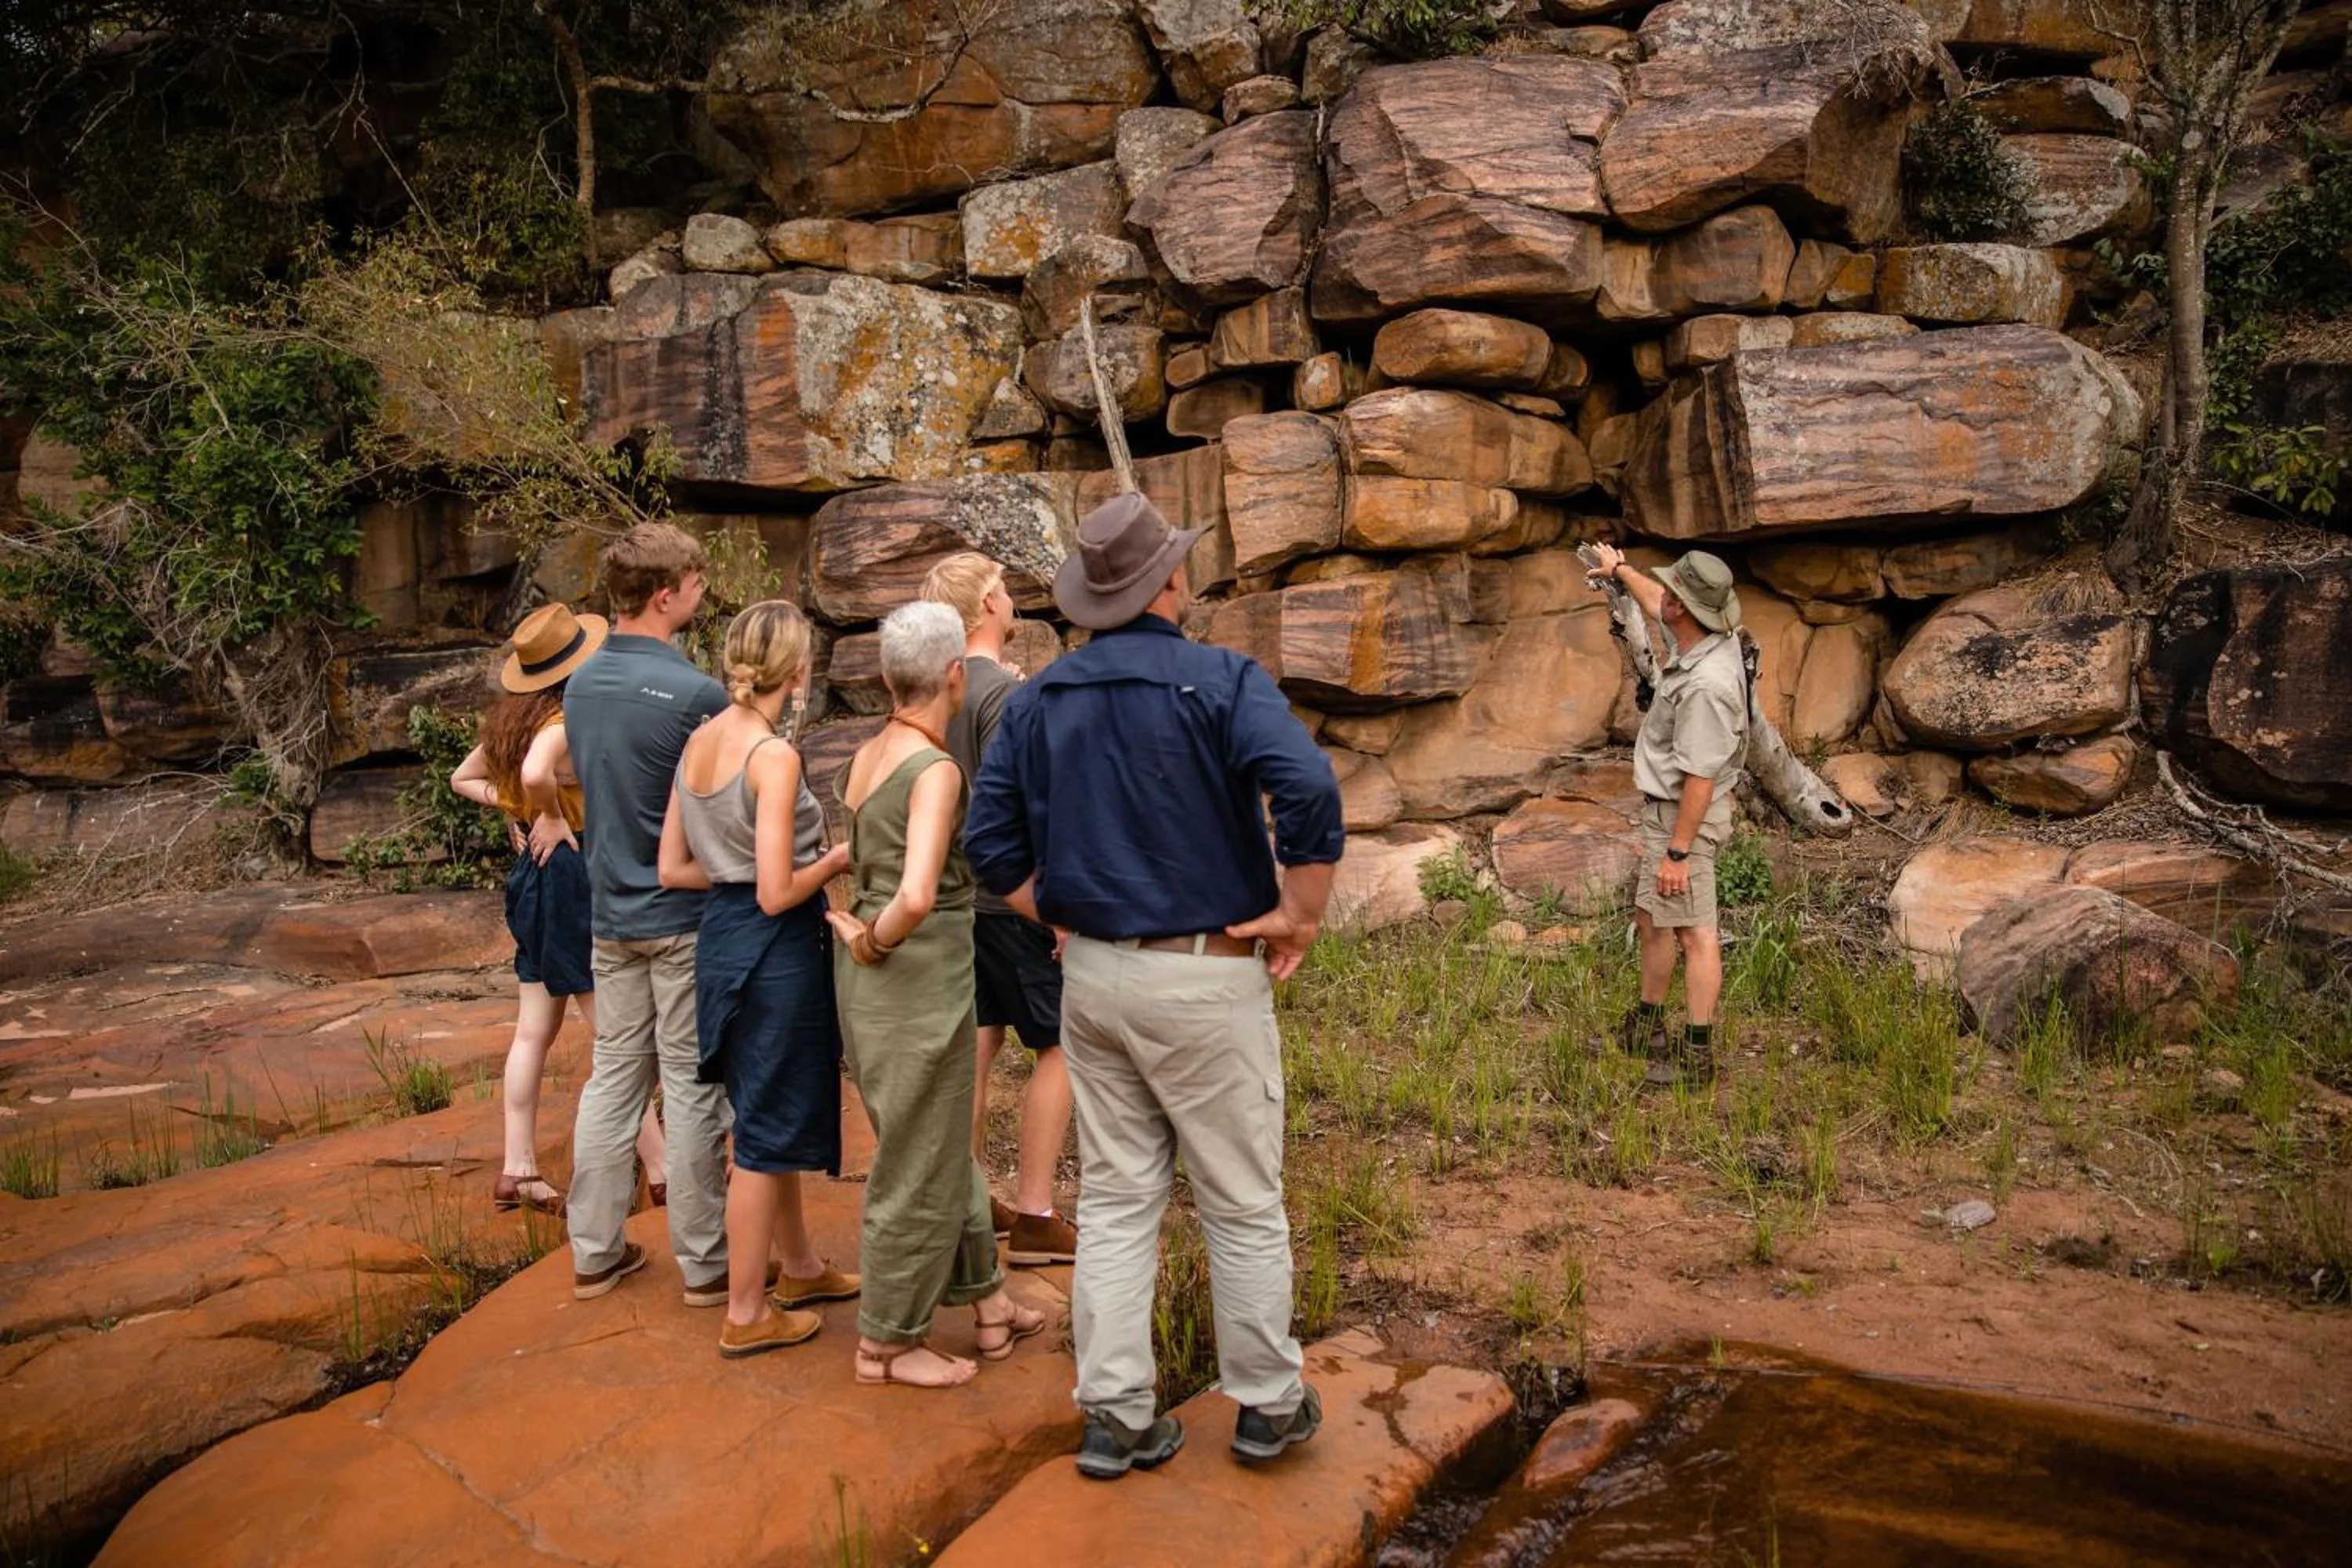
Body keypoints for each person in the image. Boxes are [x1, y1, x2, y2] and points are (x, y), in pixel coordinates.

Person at [966, 493, 1345, 1481]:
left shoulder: (1040, 698)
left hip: (1092, 972)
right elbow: (1306, 787)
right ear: (1170, 581)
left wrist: (1058, 913)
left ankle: (1118, 1413)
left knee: (1125, 1195)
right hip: (1203, 972)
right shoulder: (1222, 679)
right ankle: (1265, 1401)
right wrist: (1301, 912)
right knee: (1240, 1196)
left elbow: (988, 844)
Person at [826, 601, 1049, 1390]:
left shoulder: (867, 755)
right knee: (917, 1160)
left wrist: (857, 932)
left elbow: (860, 855)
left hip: (872, 985)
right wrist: (876, 935)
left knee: (936, 1142)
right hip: (915, 971)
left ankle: (988, 1302)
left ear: (889, 677)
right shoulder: (937, 769)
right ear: (955, 675)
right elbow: (918, 892)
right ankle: (886, 1342)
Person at [658, 600, 861, 1359]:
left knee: (762, 1110)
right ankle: (745, 1311)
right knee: (761, 1131)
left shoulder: (698, 744)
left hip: (722, 938)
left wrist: (731, 877)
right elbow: (778, 890)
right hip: (773, 945)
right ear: (797, 670)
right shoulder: (771, 756)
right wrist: (838, 860)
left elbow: (672, 866)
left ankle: (799, 1265)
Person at [561, 523, 735, 1304]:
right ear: (665, 595)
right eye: (695, 584)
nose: (701, 594)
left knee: (613, 1081)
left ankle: (594, 1248)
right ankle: (705, 1264)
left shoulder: (581, 682)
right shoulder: (697, 693)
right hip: (682, 916)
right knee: (693, 1087)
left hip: (610, 917)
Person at [447, 603, 666, 1217]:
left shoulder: (515, 722)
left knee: (532, 1031)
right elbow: (545, 773)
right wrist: (541, 812)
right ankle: (663, 1166)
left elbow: (462, 778)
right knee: (614, 1033)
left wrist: (514, 805)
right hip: (572, 874)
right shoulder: (568, 717)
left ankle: (518, 1169)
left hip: (534, 879)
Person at [919, 551, 1079, 1267]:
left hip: (955, 901)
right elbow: (1027, 808)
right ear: (986, 604)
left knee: (978, 1043)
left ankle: (969, 1195)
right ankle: (1038, 1213)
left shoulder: (940, 690)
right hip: (1010, 899)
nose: (1013, 600)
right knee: (1061, 1045)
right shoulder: (1007, 697)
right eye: (1005, 589)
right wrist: (1055, 909)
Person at [1584, 543, 1751, 1087]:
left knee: (1696, 933)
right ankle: (1648, 1026)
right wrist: (1620, 571)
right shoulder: (1704, 636)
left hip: (1686, 820)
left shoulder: (1707, 687)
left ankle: (1697, 1055)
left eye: (1673, 592)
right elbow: (1658, 599)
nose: (1666, 598)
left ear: (1686, 608)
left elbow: (1700, 779)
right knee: (1653, 918)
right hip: (1667, 815)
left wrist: (1678, 852)